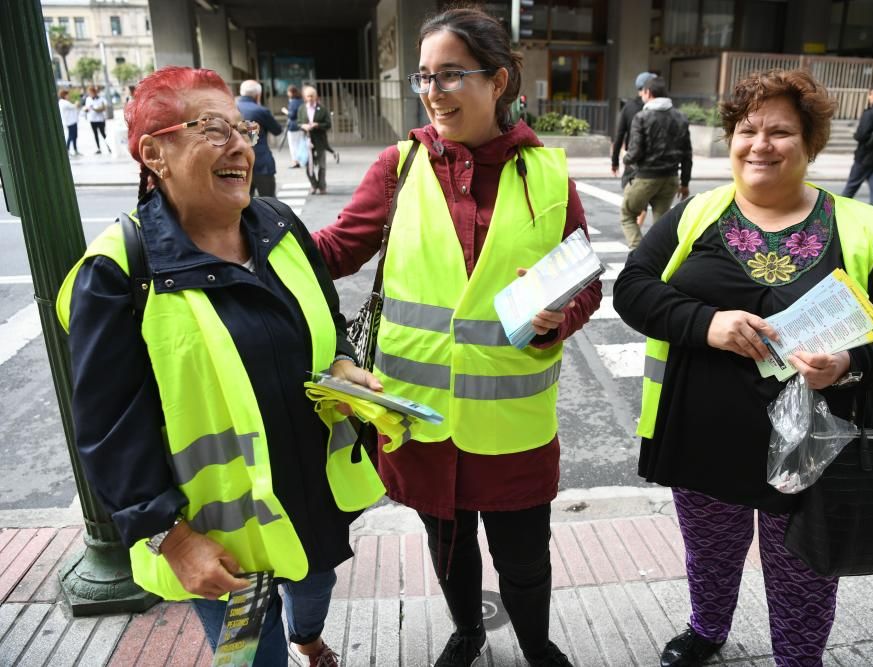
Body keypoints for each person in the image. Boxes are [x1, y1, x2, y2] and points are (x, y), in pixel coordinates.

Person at [56, 66, 388, 667]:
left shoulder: (281, 227)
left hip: (312, 499)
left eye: (242, 129)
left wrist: (342, 363)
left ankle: (308, 637)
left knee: (315, 591)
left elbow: (328, 323)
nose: (239, 143)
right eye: (212, 128)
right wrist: (173, 540)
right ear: (155, 153)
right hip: (222, 540)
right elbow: (108, 431)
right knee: (251, 659)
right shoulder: (118, 272)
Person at [613, 69, 873, 667]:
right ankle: (707, 629)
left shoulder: (860, 228)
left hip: (816, 448)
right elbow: (632, 289)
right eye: (747, 129)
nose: (759, 144)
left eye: (780, 132)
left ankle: (798, 657)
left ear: (809, 145)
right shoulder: (696, 214)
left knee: (805, 570)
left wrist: (850, 363)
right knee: (709, 552)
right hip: (705, 437)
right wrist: (707, 324)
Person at [312, 7, 601, 667]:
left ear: (498, 81)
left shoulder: (549, 176)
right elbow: (335, 248)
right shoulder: (400, 165)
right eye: (424, 77)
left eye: (450, 75)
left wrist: (560, 317)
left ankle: (535, 643)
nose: (433, 91)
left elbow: (586, 282)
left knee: (525, 559)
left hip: (513, 428)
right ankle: (468, 632)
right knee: (449, 550)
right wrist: (251, 238)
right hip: (419, 419)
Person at [619, 76, 692, 250]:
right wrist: (685, 183)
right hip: (671, 178)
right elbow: (687, 154)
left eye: (643, 92)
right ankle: (661, 261)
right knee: (662, 226)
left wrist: (625, 157)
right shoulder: (681, 117)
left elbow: (635, 152)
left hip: (646, 177)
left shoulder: (642, 117)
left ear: (648, 93)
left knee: (627, 215)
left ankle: (638, 253)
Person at [236, 79, 283, 197]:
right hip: (260, 161)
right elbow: (277, 130)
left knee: (242, 206)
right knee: (269, 203)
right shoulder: (260, 110)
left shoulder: (230, 108)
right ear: (258, 95)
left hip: (236, 163)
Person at [612, 71, 656, 185]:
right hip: (655, 163)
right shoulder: (661, 108)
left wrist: (615, 161)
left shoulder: (629, 107)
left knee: (631, 200)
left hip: (633, 160)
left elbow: (620, 135)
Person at [298, 86, 332, 194]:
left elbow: (328, 124)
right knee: (309, 165)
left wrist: (318, 125)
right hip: (307, 141)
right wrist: (303, 126)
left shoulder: (322, 109)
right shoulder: (302, 109)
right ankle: (314, 184)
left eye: (312, 96)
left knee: (322, 165)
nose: (310, 98)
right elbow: (298, 123)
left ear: (316, 96)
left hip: (320, 141)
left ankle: (322, 186)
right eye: (308, 96)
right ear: (305, 97)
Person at [83, 85, 111, 154]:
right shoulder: (88, 99)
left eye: (91, 92)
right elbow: (87, 108)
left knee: (103, 134)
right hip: (92, 119)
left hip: (100, 119)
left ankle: (109, 147)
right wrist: (86, 109)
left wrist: (99, 108)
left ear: (94, 92)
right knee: (95, 134)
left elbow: (105, 106)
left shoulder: (101, 98)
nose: (90, 94)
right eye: (89, 93)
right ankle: (98, 148)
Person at [282, 85, 305, 168]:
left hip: (293, 126)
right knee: (300, 144)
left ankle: (296, 162)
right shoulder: (302, 101)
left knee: (293, 145)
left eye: (288, 92)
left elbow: (291, 115)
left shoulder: (293, 102)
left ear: (291, 92)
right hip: (302, 125)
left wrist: (285, 111)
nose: (287, 94)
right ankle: (303, 160)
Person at [58, 89, 80, 156]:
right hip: (70, 122)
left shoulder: (63, 102)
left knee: (74, 136)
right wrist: (76, 103)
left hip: (71, 121)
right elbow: (74, 106)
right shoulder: (64, 102)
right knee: (71, 136)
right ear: (64, 95)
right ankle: (68, 149)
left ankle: (74, 149)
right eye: (67, 94)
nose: (69, 96)